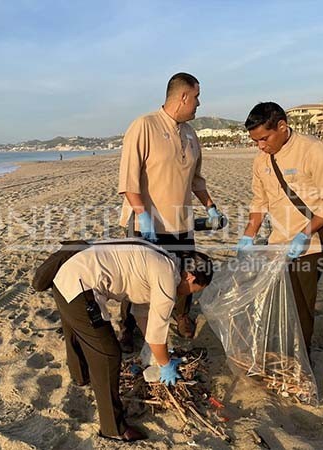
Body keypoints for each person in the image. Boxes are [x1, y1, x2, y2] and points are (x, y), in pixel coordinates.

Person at [50, 240, 215, 442]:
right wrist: (165, 364)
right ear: (189, 277)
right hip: (80, 288)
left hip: (66, 277)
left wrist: (156, 350)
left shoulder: (164, 259)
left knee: (77, 328)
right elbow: (156, 332)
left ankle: (80, 376)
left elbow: (142, 313)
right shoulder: (167, 277)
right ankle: (113, 428)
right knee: (108, 355)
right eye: (194, 290)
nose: (188, 294)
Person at [117, 72, 222, 346]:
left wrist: (211, 207)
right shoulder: (144, 126)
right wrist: (142, 216)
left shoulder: (190, 134)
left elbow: (196, 179)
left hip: (182, 222)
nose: (199, 103)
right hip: (147, 224)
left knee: (186, 271)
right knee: (138, 277)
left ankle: (181, 315)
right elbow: (128, 180)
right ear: (183, 96)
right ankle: (128, 326)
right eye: (196, 97)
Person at [236, 102, 323, 355]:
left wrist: (304, 234)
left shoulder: (314, 150)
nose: (260, 146)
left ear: (282, 127)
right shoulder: (261, 160)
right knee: (277, 302)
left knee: (300, 307)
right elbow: (259, 202)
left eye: (264, 138)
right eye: (255, 141)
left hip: (309, 244)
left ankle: (300, 360)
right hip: (277, 244)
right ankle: (280, 351)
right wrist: (248, 235)